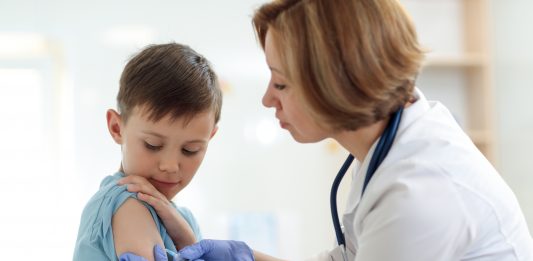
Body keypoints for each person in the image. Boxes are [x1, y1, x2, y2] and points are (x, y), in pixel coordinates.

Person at [177, 0, 533, 260]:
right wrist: (247, 258)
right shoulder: (387, 148)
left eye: (281, 84)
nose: (268, 99)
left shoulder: (419, 192)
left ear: (336, 84)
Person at [73, 43, 222, 261]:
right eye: (153, 145)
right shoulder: (128, 202)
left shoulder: (182, 220)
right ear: (117, 128)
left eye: (191, 150)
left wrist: (188, 239)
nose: (170, 166)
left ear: (210, 138)